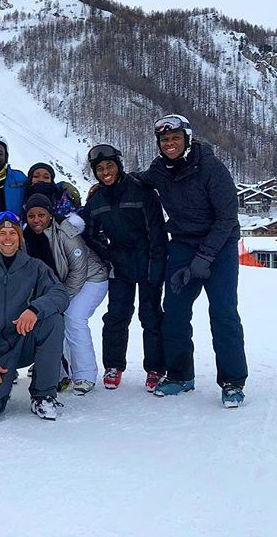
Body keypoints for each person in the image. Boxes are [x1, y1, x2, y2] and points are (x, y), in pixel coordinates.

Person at [138, 115, 248, 407]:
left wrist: (206, 257)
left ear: (187, 139)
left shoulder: (211, 168)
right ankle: (180, 375)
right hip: (184, 244)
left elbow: (227, 218)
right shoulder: (159, 170)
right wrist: (108, 185)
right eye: (164, 140)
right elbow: (140, 180)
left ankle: (232, 381)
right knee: (173, 310)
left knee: (223, 312)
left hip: (219, 245)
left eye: (174, 138)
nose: (169, 144)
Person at [0, 211, 69, 421]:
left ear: (20, 238)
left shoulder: (35, 267)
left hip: (24, 341)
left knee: (53, 320)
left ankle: (43, 394)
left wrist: (35, 309)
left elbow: (60, 294)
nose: (8, 238)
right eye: (2, 233)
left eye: (13, 233)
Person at [82, 144, 167, 392]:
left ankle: (155, 367)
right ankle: (114, 365)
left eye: (109, 166)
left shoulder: (141, 192)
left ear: (119, 166)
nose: (105, 172)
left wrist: (157, 266)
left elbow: (157, 232)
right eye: (100, 169)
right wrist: (107, 253)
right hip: (119, 265)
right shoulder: (96, 199)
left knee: (150, 316)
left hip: (149, 260)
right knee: (116, 316)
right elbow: (89, 233)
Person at [24, 193, 108, 395]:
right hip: (61, 287)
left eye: (41, 215)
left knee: (74, 317)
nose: (37, 220)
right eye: (32, 215)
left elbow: (78, 271)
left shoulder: (66, 232)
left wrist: (61, 300)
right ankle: (59, 373)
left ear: (50, 215)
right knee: (53, 322)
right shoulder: (26, 237)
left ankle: (85, 375)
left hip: (92, 278)